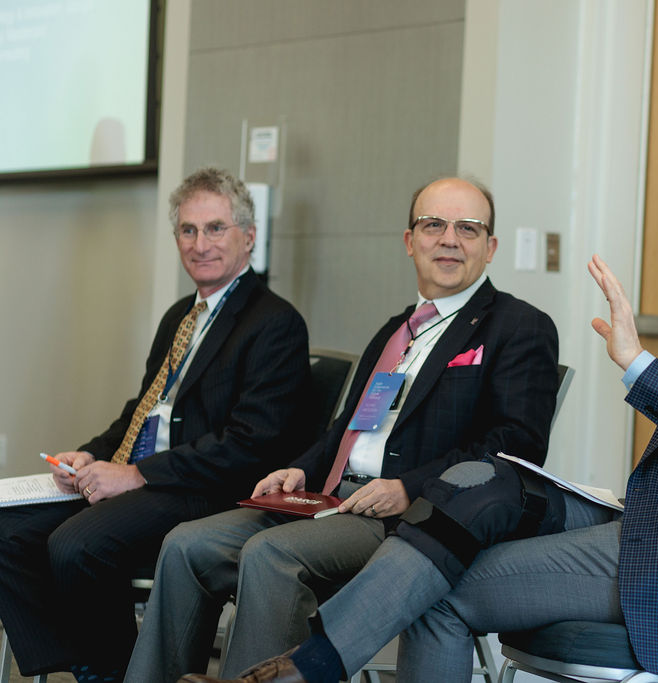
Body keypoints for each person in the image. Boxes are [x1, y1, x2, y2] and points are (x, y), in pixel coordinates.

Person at [180, 140, 658, 683]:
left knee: (457, 547)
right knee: (475, 509)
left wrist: (638, 364)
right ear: (409, 240)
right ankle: (309, 667)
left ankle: (308, 667)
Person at [127, 177, 560, 682]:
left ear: (491, 247)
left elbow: (516, 445)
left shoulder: (517, 326)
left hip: (415, 519)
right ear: (408, 241)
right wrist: (298, 469)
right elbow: (348, 430)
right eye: (433, 225)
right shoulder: (398, 330)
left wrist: (408, 488)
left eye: (468, 228)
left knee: (271, 555)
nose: (449, 239)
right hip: (332, 501)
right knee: (185, 545)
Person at [0, 167, 314, 683]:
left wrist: (137, 475)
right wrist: (88, 455)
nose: (200, 244)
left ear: (248, 237)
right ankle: (76, 661)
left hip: (205, 489)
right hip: (145, 479)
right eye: (187, 231)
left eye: (216, 228)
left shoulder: (274, 323)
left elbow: (252, 445)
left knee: (76, 545)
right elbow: (143, 411)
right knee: (9, 534)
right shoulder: (180, 317)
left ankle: (116, 673)